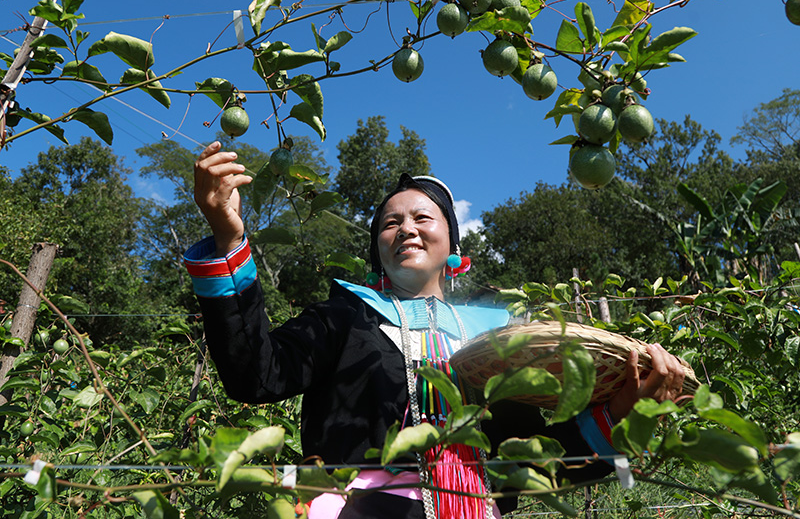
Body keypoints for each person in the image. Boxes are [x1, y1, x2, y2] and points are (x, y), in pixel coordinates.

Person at [185, 141, 686, 519]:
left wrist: (624, 411)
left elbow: (534, 464)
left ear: (453, 248)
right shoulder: (345, 318)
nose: (406, 228)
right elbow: (255, 374)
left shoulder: (500, 344)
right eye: (389, 223)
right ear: (378, 251)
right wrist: (229, 237)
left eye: (423, 217)